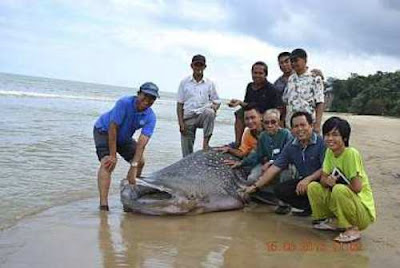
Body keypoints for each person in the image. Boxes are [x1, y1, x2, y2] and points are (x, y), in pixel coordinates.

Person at [308, 117, 376, 243]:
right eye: (327, 134)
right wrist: (327, 181)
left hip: (361, 211)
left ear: (344, 138)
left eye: (335, 135)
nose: (330, 138)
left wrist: (336, 185)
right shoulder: (329, 152)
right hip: (344, 198)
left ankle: (352, 228)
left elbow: (357, 187)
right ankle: (333, 221)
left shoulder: (351, 154)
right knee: (313, 187)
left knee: (339, 189)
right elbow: (323, 178)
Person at [244, 111, 325, 216]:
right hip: (304, 182)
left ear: (311, 126)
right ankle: (308, 208)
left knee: (307, 183)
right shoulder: (291, 146)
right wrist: (255, 186)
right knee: (280, 190)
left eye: (303, 125)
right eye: (296, 126)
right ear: (292, 129)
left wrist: (308, 179)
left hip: (322, 181)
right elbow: (275, 168)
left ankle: (321, 209)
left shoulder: (322, 143)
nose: (300, 129)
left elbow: (326, 168)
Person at [93, 82, 160, 211]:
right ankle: (104, 205)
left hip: (124, 137)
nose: (147, 101)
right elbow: (113, 128)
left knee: (140, 161)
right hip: (104, 131)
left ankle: (133, 194)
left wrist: (133, 166)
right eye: (145, 96)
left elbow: (142, 141)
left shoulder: (151, 116)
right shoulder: (124, 103)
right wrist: (113, 155)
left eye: (152, 98)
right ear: (138, 93)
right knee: (108, 163)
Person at [177, 54, 221, 157]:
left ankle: (205, 145)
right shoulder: (184, 83)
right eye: (196, 65)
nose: (198, 68)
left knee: (210, 112)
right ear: (192, 66)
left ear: (204, 67)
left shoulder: (209, 83)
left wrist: (214, 108)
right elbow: (180, 104)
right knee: (186, 154)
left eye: (201, 65)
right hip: (188, 118)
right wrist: (181, 123)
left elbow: (217, 101)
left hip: (202, 116)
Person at [228, 61, 280, 147]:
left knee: (256, 117)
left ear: (265, 74)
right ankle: (238, 142)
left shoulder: (271, 89)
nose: (257, 76)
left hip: (266, 116)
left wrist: (265, 117)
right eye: (255, 73)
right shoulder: (250, 86)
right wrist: (239, 103)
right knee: (239, 113)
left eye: (260, 73)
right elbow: (248, 105)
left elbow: (278, 109)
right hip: (253, 114)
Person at [282, 48, 325, 133]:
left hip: (307, 125)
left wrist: (317, 124)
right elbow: (285, 101)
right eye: (292, 61)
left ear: (305, 60)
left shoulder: (315, 78)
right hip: (291, 125)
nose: (294, 64)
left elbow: (320, 102)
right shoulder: (291, 79)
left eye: (296, 61)